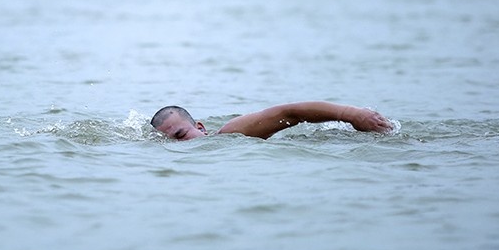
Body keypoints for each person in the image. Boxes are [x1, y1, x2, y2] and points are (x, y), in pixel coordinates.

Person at [151, 101, 392, 141]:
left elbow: (289, 112)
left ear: (200, 127)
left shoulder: (231, 133)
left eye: (181, 136)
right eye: (168, 142)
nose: (178, 147)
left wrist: (351, 114)